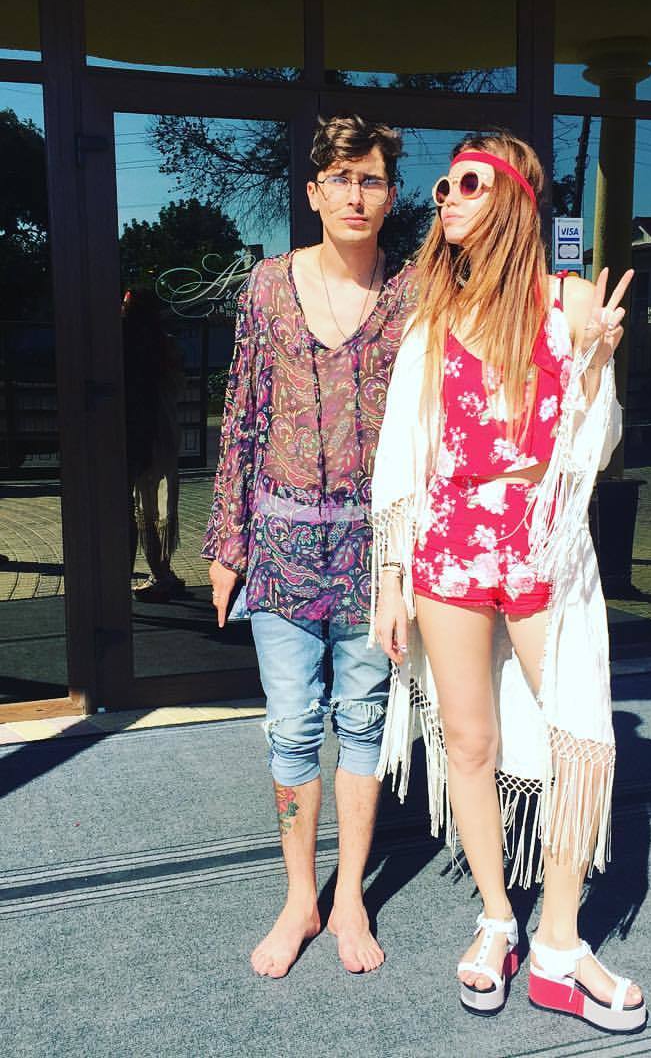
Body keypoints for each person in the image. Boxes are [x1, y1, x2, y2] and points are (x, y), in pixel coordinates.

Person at [372, 131, 646, 1033]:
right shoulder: (435, 310)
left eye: (469, 182)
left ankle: (559, 942)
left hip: (540, 544)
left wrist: (595, 362)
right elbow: (406, 449)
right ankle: (498, 917)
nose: (446, 197)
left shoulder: (568, 301)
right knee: (467, 741)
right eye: (444, 185)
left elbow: (598, 445)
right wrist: (390, 577)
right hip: (449, 543)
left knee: (579, 738)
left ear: (518, 199)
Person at [203, 114, 415, 979]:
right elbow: (242, 413)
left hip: (376, 551)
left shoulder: (416, 294)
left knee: (363, 721)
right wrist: (226, 542)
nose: (356, 195)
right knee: (291, 727)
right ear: (314, 192)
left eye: (372, 179)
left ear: (391, 195)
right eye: (341, 179)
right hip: (282, 544)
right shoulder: (267, 286)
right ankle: (300, 898)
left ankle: (351, 894)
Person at [122, 288, 186, 602]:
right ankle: (162, 572)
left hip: (139, 431)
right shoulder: (165, 344)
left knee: (139, 505)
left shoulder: (126, 345)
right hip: (163, 429)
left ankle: (158, 575)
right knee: (158, 502)